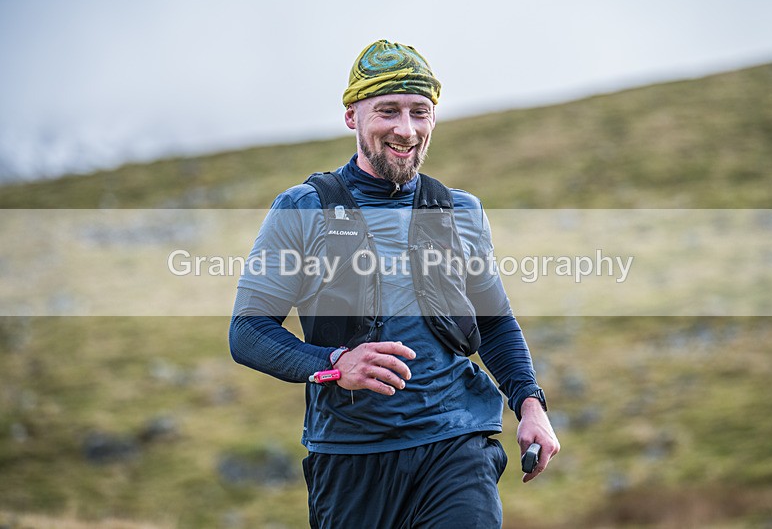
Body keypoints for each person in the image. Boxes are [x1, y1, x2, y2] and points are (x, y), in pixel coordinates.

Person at [229, 39, 559, 528]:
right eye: (388, 111)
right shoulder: (303, 208)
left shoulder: (460, 210)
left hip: (455, 446)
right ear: (352, 116)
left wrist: (530, 403)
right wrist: (334, 364)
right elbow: (248, 332)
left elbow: (493, 322)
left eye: (419, 112)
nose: (406, 129)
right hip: (350, 459)